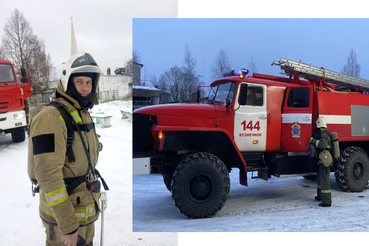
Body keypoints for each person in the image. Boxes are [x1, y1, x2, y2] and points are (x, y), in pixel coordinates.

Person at [28, 52, 104, 245]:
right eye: (79, 81)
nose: (85, 88)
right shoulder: (51, 118)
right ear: (68, 81)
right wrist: (68, 225)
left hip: (84, 212)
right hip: (64, 222)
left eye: (89, 82)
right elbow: (47, 176)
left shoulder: (80, 112)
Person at [309, 116, 332, 207]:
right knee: (320, 178)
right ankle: (320, 196)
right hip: (322, 159)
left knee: (324, 180)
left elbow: (322, 145)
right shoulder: (323, 134)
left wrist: (312, 140)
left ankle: (327, 202)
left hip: (325, 159)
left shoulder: (324, 134)